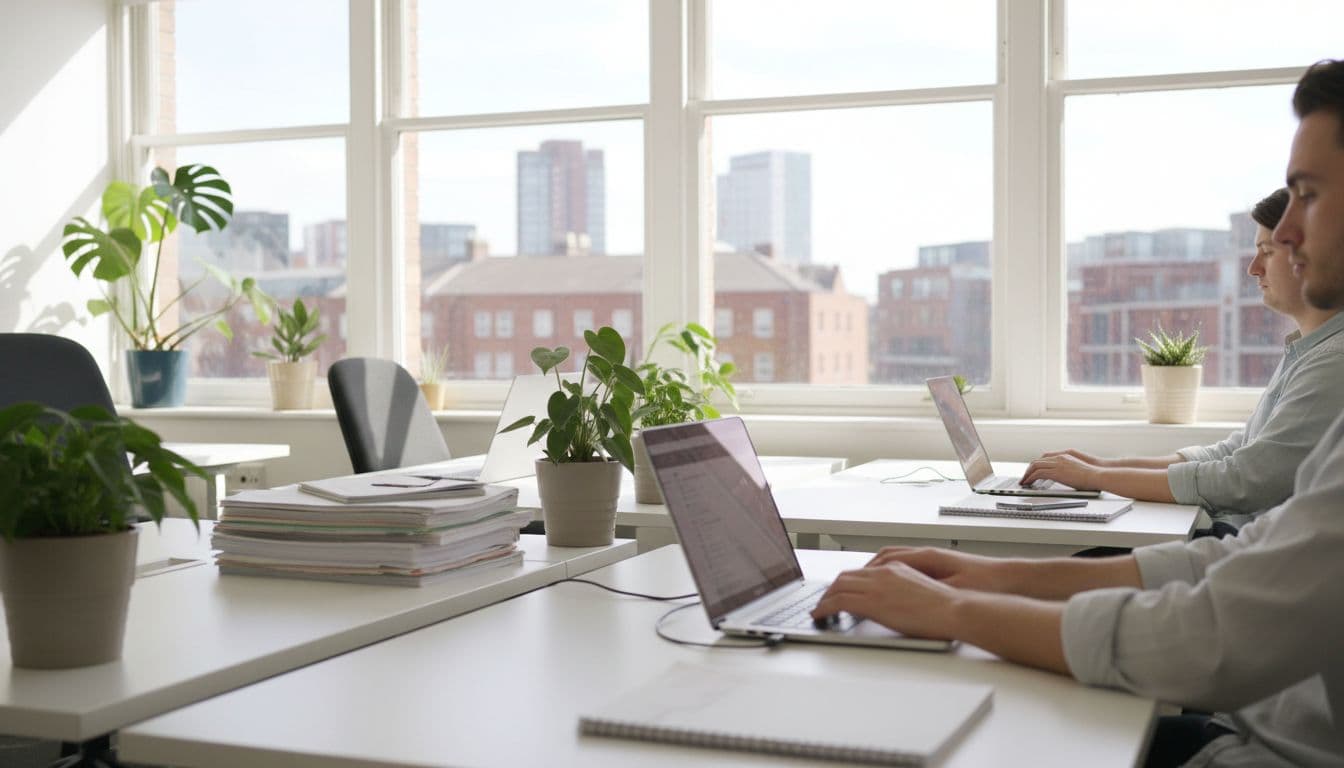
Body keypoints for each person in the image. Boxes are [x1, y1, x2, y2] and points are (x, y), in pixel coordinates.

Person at [816, 59, 1344, 767]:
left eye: (1307, 195)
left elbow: (1208, 636)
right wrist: (980, 574)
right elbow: (1236, 559)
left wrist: (953, 610)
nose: (1286, 235)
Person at [1021, 190, 1344, 533]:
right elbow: (1236, 450)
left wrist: (1098, 477)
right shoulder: (1308, 351)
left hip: (1249, 548)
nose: (1253, 268)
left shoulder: (1331, 363)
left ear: (1311, 257)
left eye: (1266, 252)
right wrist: (1103, 467)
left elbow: (1245, 480)